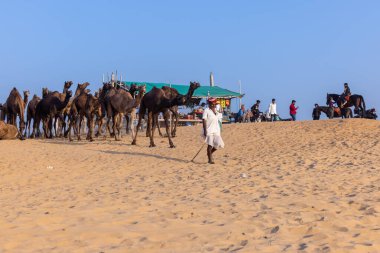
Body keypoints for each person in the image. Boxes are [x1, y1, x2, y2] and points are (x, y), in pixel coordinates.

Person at [203, 97, 224, 164]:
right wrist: (205, 130)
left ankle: (209, 154)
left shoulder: (217, 111)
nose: (213, 104)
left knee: (218, 144)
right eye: (212, 103)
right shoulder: (206, 110)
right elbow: (204, 120)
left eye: (214, 103)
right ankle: (210, 160)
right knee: (210, 145)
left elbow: (219, 120)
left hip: (216, 130)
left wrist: (221, 128)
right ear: (209, 103)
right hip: (209, 130)